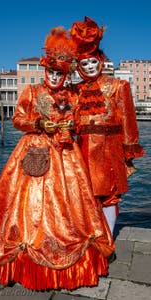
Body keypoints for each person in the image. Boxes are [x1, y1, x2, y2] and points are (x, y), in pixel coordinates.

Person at [0, 26, 114, 291]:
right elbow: (18, 119)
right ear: (44, 70)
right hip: (33, 150)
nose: (53, 77)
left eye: (58, 73)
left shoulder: (73, 94)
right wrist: (38, 123)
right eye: (50, 71)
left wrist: (68, 127)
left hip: (65, 154)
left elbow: (81, 121)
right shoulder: (31, 91)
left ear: (65, 74)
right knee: (25, 204)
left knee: (71, 205)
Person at [70, 16, 145, 235]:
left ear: (101, 62)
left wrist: (129, 150)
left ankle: (108, 237)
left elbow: (129, 121)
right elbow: (72, 121)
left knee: (110, 194)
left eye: (94, 62)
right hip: (83, 149)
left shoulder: (119, 86)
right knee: (86, 192)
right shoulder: (76, 90)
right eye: (85, 64)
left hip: (109, 149)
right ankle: (91, 233)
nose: (91, 67)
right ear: (80, 67)